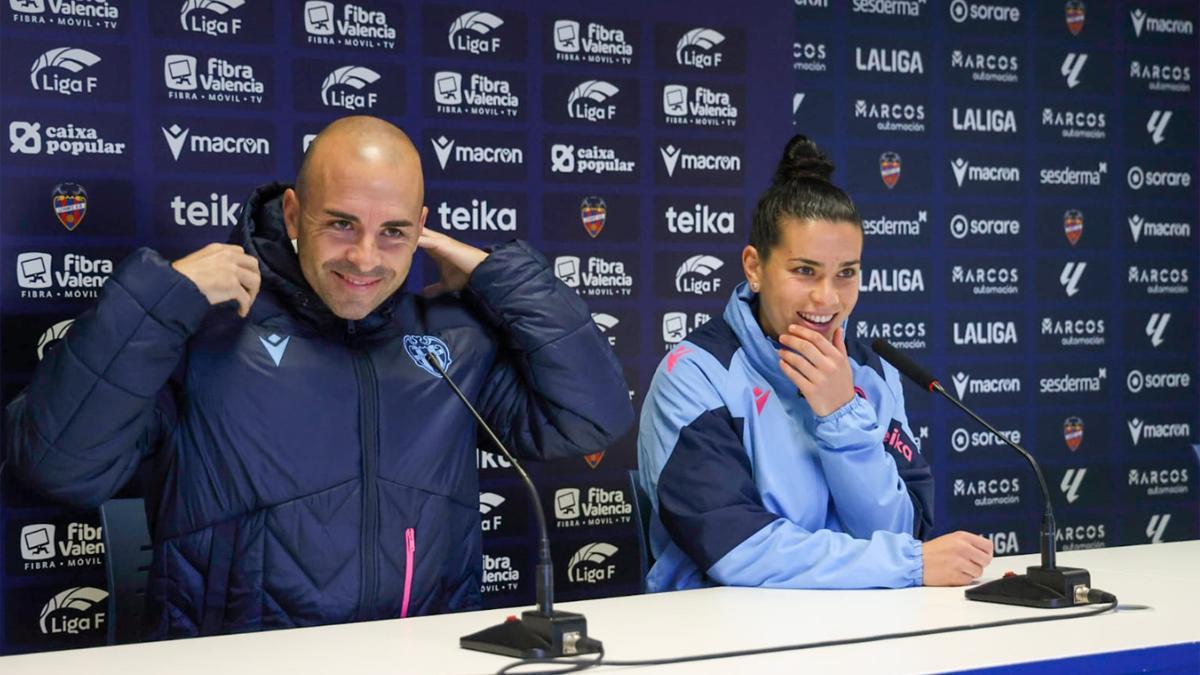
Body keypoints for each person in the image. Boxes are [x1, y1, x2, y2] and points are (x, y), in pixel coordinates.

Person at [4, 116, 634, 638]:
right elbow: (59, 466)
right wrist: (154, 303)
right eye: (340, 224)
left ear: (422, 227)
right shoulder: (207, 329)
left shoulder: (449, 340)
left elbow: (592, 419)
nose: (365, 258)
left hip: (425, 658)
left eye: (394, 232)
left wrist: (504, 278)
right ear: (294, 209)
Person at [637, 135, 992, 592]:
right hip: (725, 640)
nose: (828, 298)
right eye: (805, 271)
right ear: (754, 267)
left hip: (856, 631)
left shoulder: (873, 374)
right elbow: (737, 551)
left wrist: (842, 414)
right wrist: (907, 565)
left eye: (846, 273)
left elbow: (901, 533)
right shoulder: (695, 374)